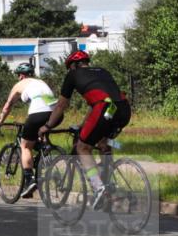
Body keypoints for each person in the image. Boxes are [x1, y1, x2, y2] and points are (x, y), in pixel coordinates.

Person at [39, 50, 131, 210]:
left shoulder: (73, 75)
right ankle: (109, 185)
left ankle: (98, 187)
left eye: (70, 68)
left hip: (104, 108)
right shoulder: (102, 71)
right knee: (103, 143)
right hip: (123, 109)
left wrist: (47, 126)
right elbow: (96, 102)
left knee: (82, 147)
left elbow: (61, 105)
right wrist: (84, 125)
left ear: (73, 65)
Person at [0, 62, 56, 198]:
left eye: (18, 76)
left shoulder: (19, 84)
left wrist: (1, 120)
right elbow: (47, 103)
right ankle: (45, 153)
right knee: (39, 134)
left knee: (25, 145)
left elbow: (8, 105)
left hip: (38, 113)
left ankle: (30, 180)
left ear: (21, 75)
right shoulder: (40, 82)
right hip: (56, 113)